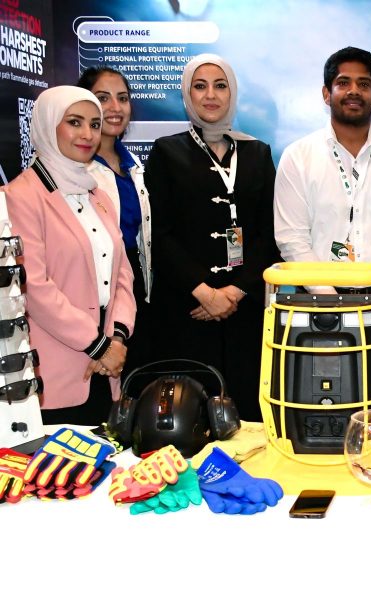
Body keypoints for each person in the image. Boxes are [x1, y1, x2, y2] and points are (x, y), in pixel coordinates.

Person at [275, 47, 371, 407]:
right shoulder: (298, 156)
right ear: (327, 93)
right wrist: (330, 300)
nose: (354, 90)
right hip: (315, 307)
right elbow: (292, 237)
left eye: (364, 84)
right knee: (318, 411)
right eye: (343, 82)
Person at [145, 54, 278, 420]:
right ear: (187, 94)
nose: (210, 95)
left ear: (232, 93)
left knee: (248, 414)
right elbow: (160, 234)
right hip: (187, 309)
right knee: (188, 415)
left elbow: (269, 233)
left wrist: (234, 292)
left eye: (220, 86)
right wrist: (205, 293)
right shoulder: (166, 152)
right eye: (199, 86)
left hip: (245, 309)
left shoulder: (257, 152)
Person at [3, 86, 135, 424]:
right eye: (74, 122)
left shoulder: (98, 194)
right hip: (55, 373)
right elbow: (32, 287)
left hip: (107, 367)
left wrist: (117, 338)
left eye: (94, 124)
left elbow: (123, 275)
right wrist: (98, 346)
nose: (87, 134)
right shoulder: (20, 196)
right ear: (48, 125)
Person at [78, 66, 153, 377]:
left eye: (122, 98)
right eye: (103, 98)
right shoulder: (72, 168)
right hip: (91, 286)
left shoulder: (131, 163)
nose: (115, 107)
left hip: (131, 279)